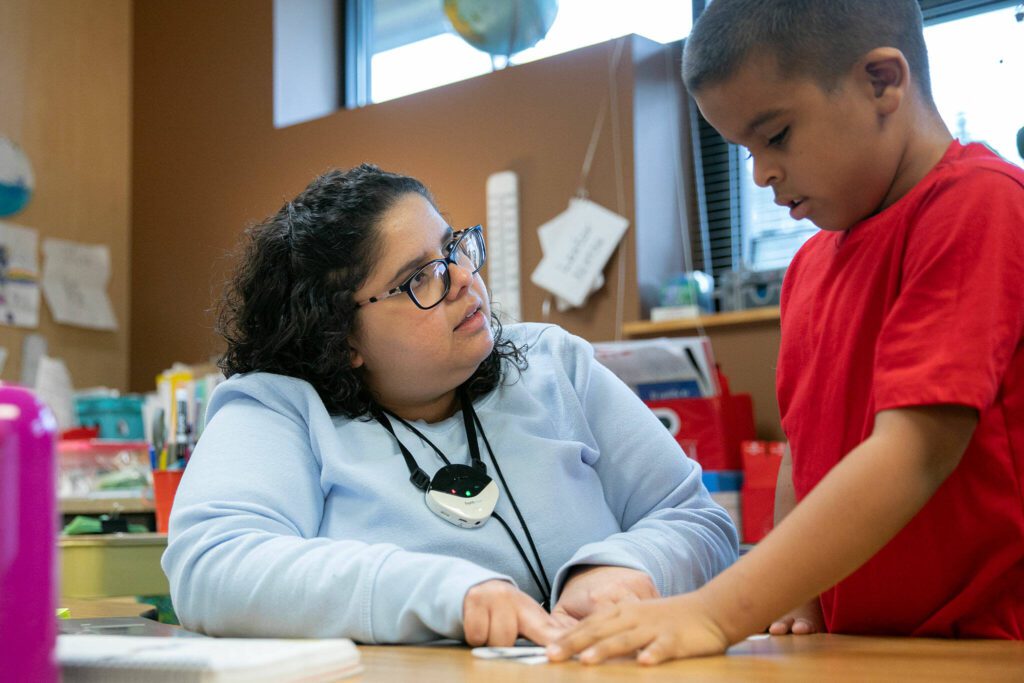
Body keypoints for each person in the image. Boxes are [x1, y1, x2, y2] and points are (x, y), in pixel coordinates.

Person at [548, 0, 1024, 665]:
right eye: (742, 149)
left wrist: (718, 609)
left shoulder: (980, 204)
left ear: (882, 82)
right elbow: (806, 452)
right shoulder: (808, 268)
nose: (760, 174)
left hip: (987, 647)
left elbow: (915, 450)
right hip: (857, 646)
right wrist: (795, 589)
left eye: (775, 136)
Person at [161, 164, 738, 645]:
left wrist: (626, 569)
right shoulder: (278, 407)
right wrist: (448, 593)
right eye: (422, 277)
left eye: (453, 249)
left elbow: (698, 521)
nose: (464, 279)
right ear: (340, 335)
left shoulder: (556, 365)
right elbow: (212, 566)